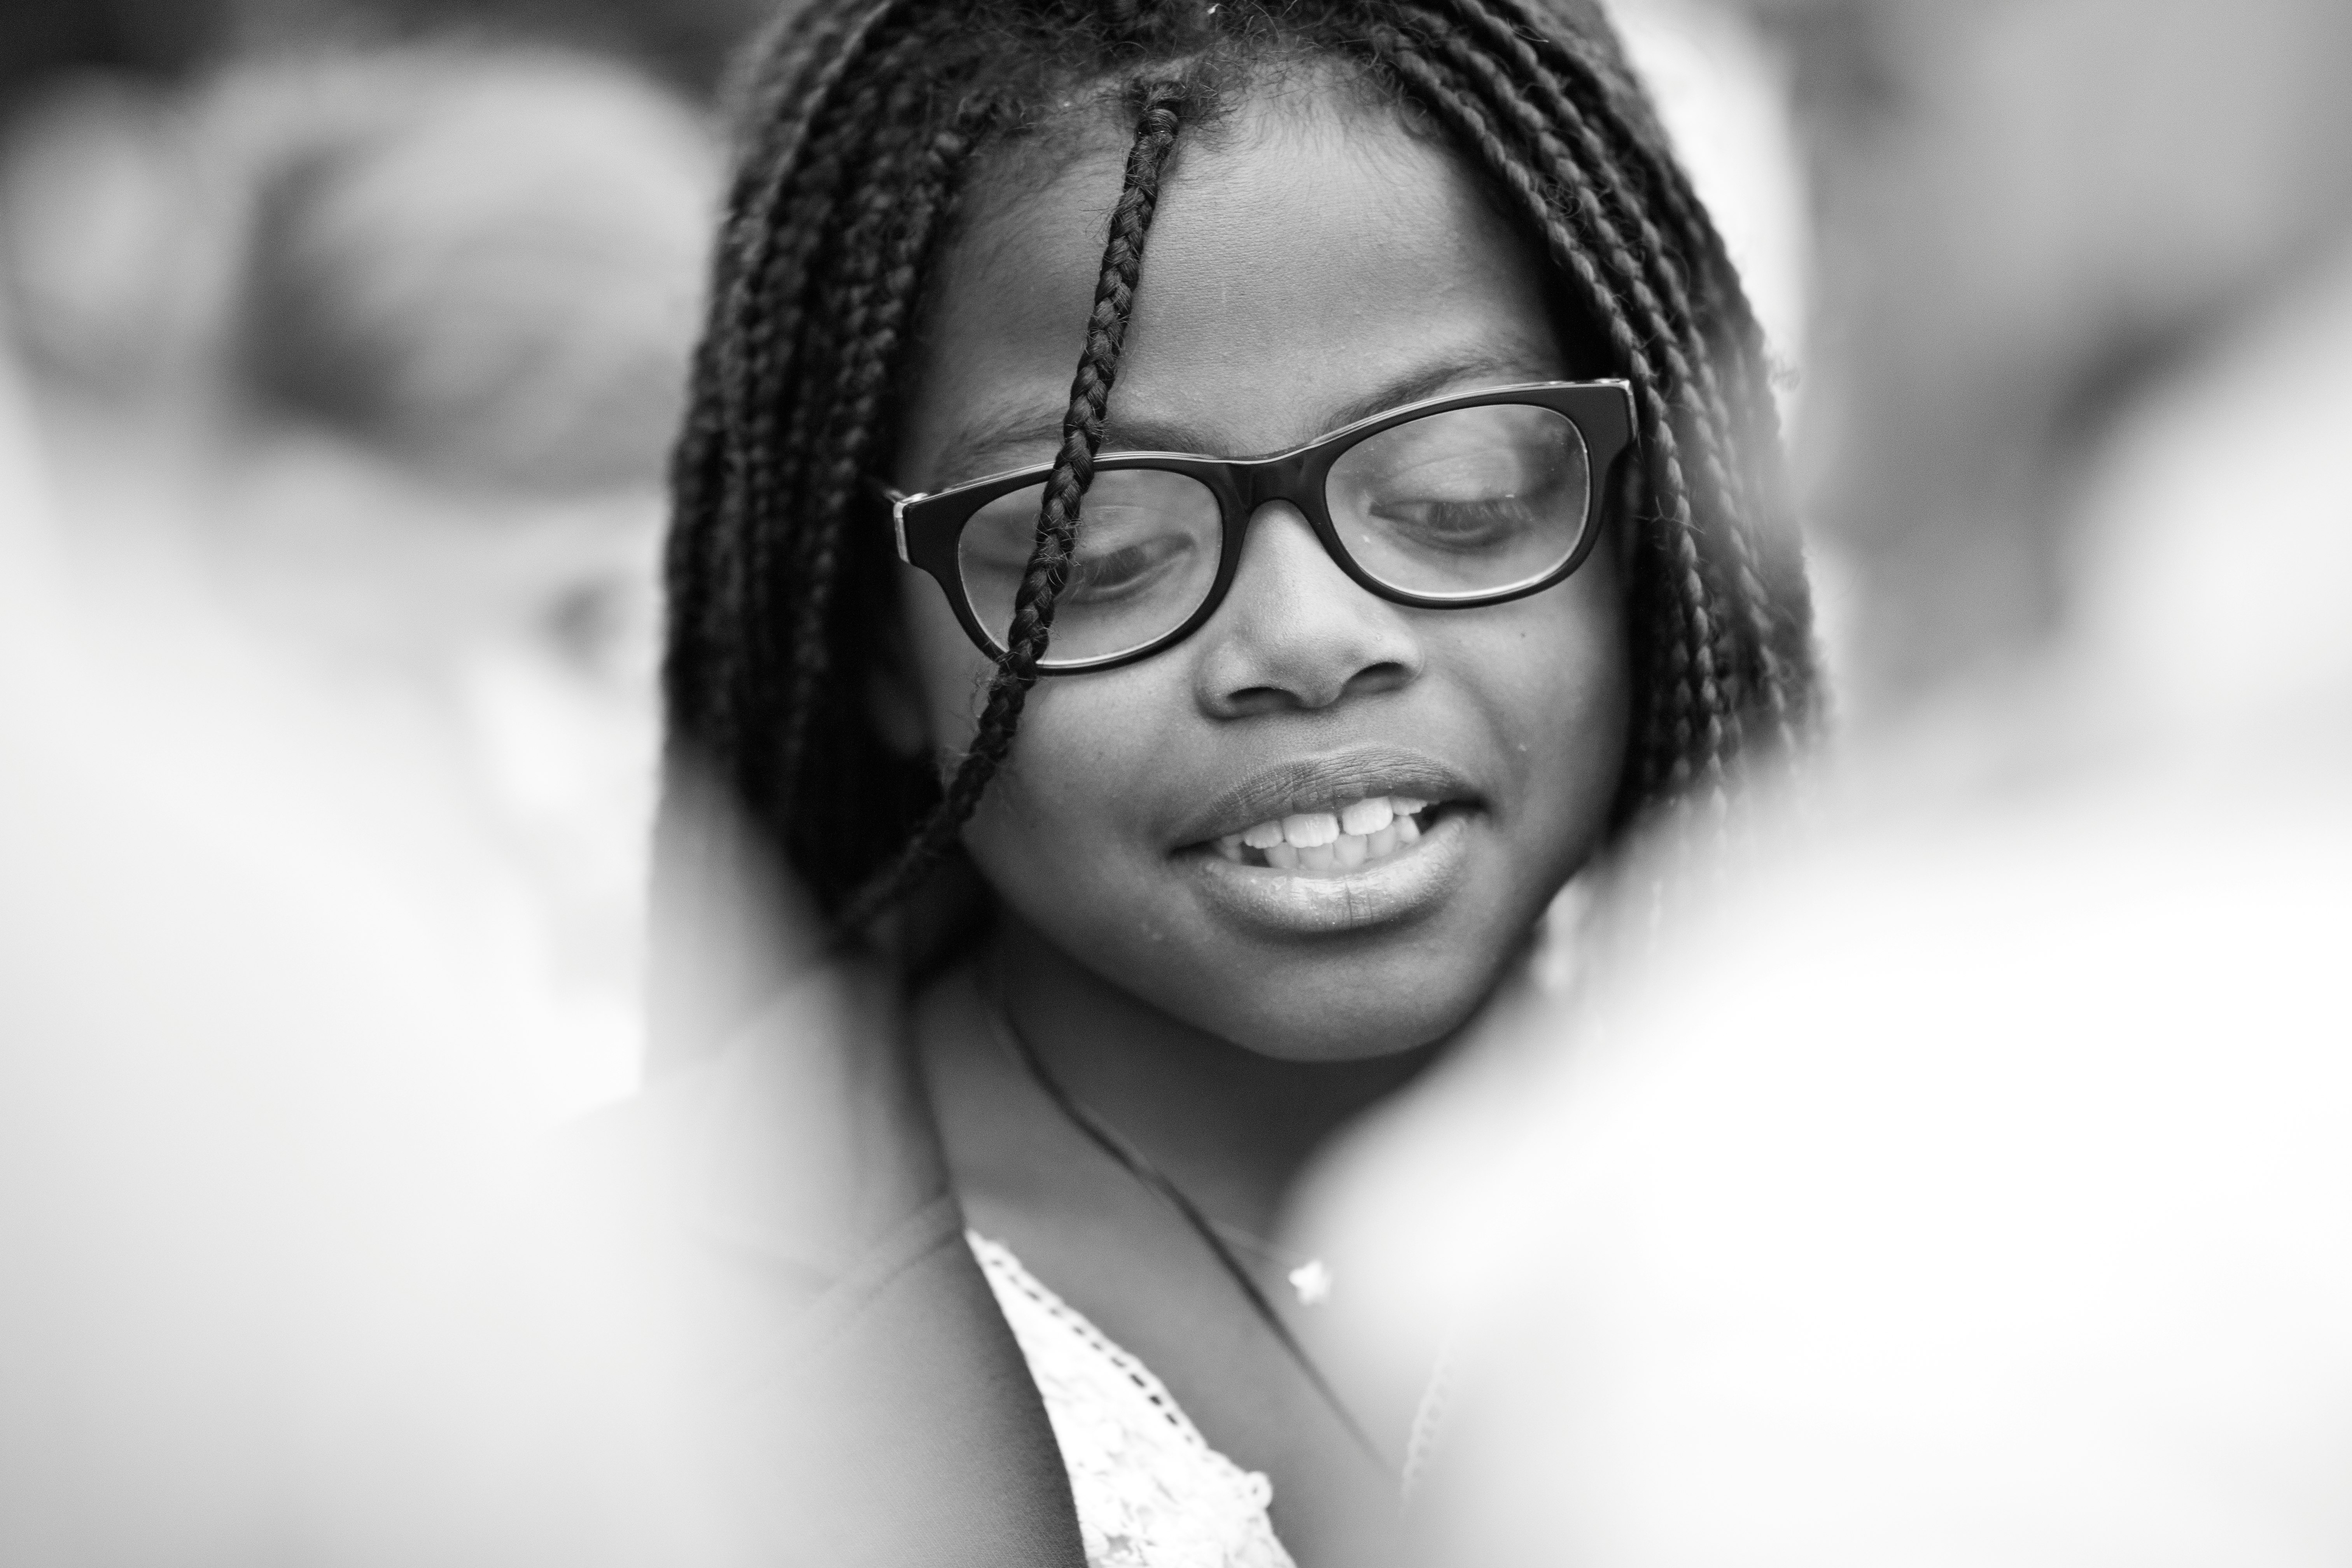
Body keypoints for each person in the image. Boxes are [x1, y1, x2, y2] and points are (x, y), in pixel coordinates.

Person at [616, 1, 1815, 1563]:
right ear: (882, 649)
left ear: (1644, 521)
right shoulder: (597, 1340)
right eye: (1095, 551)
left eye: (1462, 494)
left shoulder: (1929, 1194)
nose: (1309, 642)